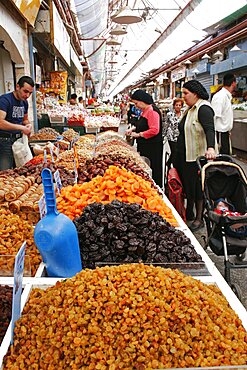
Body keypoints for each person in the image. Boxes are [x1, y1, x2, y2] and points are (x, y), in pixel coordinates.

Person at [175, 80, 217, 231]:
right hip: (186, 155)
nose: (183, 96)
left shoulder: (203, 108)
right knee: (189, 186)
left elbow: (210, 129)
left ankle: (199, 218)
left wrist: (211, 148)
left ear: (196, 93)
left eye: (186, 93)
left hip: (197, 157)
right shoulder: (190, 108)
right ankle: (190, 212)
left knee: (198, 188)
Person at [125, 89, 163, 187]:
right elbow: (142, 124)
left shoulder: (152, 111)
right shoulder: (145, 111)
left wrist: (139, 135)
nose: (136, 106)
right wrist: (133, 129)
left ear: (142, 101)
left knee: (153, 168)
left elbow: (154, 130)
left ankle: (155, 189)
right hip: (145, 146)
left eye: (136, 103)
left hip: (152, 148)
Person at [0, 75, 34, 170]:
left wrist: (28, 125)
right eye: (25, 91)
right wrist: (21, 128)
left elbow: (25, 119)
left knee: (21, 169)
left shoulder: (24, 102)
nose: (27, 95)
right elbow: (0, 122)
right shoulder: (5, 100)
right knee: (5, 171)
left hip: (18, 141)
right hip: (4, 141)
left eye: (30, 93)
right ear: (17, 87)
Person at [211, 73, 236, 155]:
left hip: (224, 133)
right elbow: (214, 116)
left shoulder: (226, 96)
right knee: (221, 160)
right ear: (233, 83)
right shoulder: (220, 96)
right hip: (219, 134)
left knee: (226, 158)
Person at [165, 98, 184, 168]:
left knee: (178, 152)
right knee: (174, 151)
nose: (178, 106)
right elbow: (166, 125)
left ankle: (170, 162)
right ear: (174, 106)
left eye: (179, 105)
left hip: (180, 136)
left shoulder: (184, 114)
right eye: (176, 105)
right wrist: (163, 135)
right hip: (171, 136)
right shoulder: (169, 114)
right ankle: (172, 165)